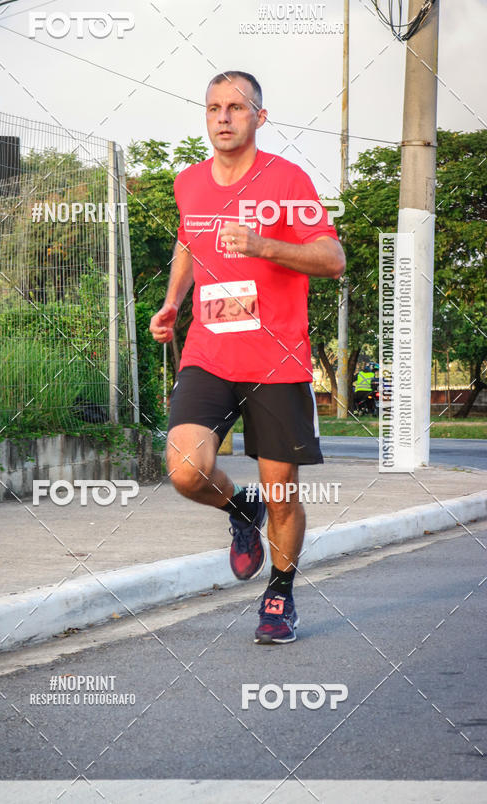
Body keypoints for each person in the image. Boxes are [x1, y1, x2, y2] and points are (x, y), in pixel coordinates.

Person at [149, 71, 345, 644]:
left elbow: (331, 257)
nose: (224, 117)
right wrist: (172, 303)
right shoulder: (189, 182)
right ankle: (240, 508)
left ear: (260, 116)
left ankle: (280, 595)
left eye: (236, 107)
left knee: (284, 494)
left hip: (276, 362)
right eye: (214, 107)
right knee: (186, 470)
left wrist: (264, 245)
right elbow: (190, 240)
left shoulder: (287, 181)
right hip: (208, 353)